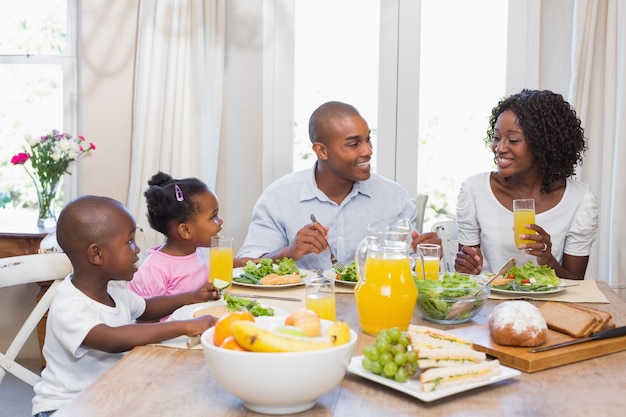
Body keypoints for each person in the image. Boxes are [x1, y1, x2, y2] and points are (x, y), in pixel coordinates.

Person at [32, 196, 220, 416]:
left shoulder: (115, 288)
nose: (137, 249)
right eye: (129, 241)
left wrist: (192, 296)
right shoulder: (70, 306)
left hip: (109, 394)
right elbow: (113, 340)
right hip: (65, 407)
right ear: (97, 254)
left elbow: (147, 309)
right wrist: (186, 326)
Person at [237, 101, 440, 271]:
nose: (368, 150)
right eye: (354, 144)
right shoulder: (278, 197)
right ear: (321, 151)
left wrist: (427, 254)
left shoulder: (393, 197)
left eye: (368, 139)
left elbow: (412, 270)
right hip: (303, 309)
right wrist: (287, 252)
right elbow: (245, 266)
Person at [454, 89, 598, 280]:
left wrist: (548, 260)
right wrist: (466, 267)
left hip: (550, 308)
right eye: (497, 138)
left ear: (543, 144)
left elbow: (576, 284)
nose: (500, 148)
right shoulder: (474, 190)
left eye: (513, 140)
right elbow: (468, 274)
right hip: (490, 306)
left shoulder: (579, 200)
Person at [128, 172, 223, 317]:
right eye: (213, 217)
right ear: (186, 231)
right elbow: (142, 315)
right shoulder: (154, 269)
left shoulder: (195, 251)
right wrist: (192, 298)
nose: (220, 221)